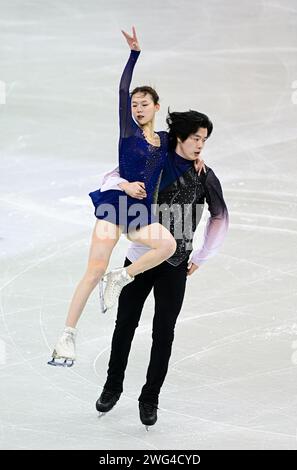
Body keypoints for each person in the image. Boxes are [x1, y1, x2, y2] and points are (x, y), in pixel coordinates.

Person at [48, 27, 178, 367]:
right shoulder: (127, 130)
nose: (137, 108)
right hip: (116, 206)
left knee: (167, 246)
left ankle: (121, 277)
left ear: (156, 106)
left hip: (140, 213)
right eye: (135, 104)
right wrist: (133, 55)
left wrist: (200, 157)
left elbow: (187, 145)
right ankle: (66, 336)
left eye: (144, 104)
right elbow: (122, 89)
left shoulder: (165, 140)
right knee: (93, 270)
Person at [95, 110, 229, 429]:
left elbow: (220, 217)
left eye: (204, 140)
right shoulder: (154, 160)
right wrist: (125, 186)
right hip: (141, 256)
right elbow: (110, 178)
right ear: (180, 137)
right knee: (124, 324)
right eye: (195, 138)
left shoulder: (204, 175)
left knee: (163, 333)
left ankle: (150, 397)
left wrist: (203, 255)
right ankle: (112, 386)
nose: (200, 145)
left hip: (176, 263)